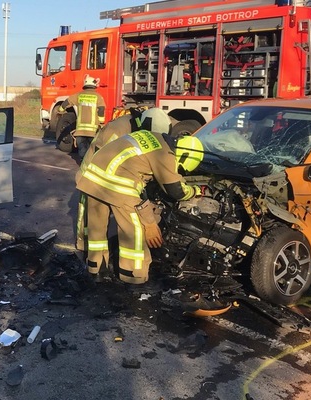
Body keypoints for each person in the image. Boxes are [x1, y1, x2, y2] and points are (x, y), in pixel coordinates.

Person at [76, 113, 205, 285]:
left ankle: (96, 269)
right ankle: (133, 276)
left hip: (94, 176)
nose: (179, 169)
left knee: (96, 228)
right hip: (118, 184)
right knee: (134, 230)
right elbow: (176, 191)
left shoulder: (154, 138)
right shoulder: (165, 154)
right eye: (181, 166)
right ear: (184, 156)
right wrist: (194, 191)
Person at [75, 106, 150, 251]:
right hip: (92, 172)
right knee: (88, 213)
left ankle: (99, 245)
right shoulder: (118, 129)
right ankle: (83, 244)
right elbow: (102, 156)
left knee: (104, 212)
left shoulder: (137, 127)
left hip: (110, 173)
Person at [59, 75, 106, 158]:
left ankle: (82, 164)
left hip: (80, 131)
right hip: (93, 131)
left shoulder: (79, 95)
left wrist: (61, 109)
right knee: (92, 150)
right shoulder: (98, 97)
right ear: (94, 86)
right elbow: (101, 109)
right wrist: (101, 123)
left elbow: (66, 102)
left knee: (82, 150)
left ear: (85, 85)